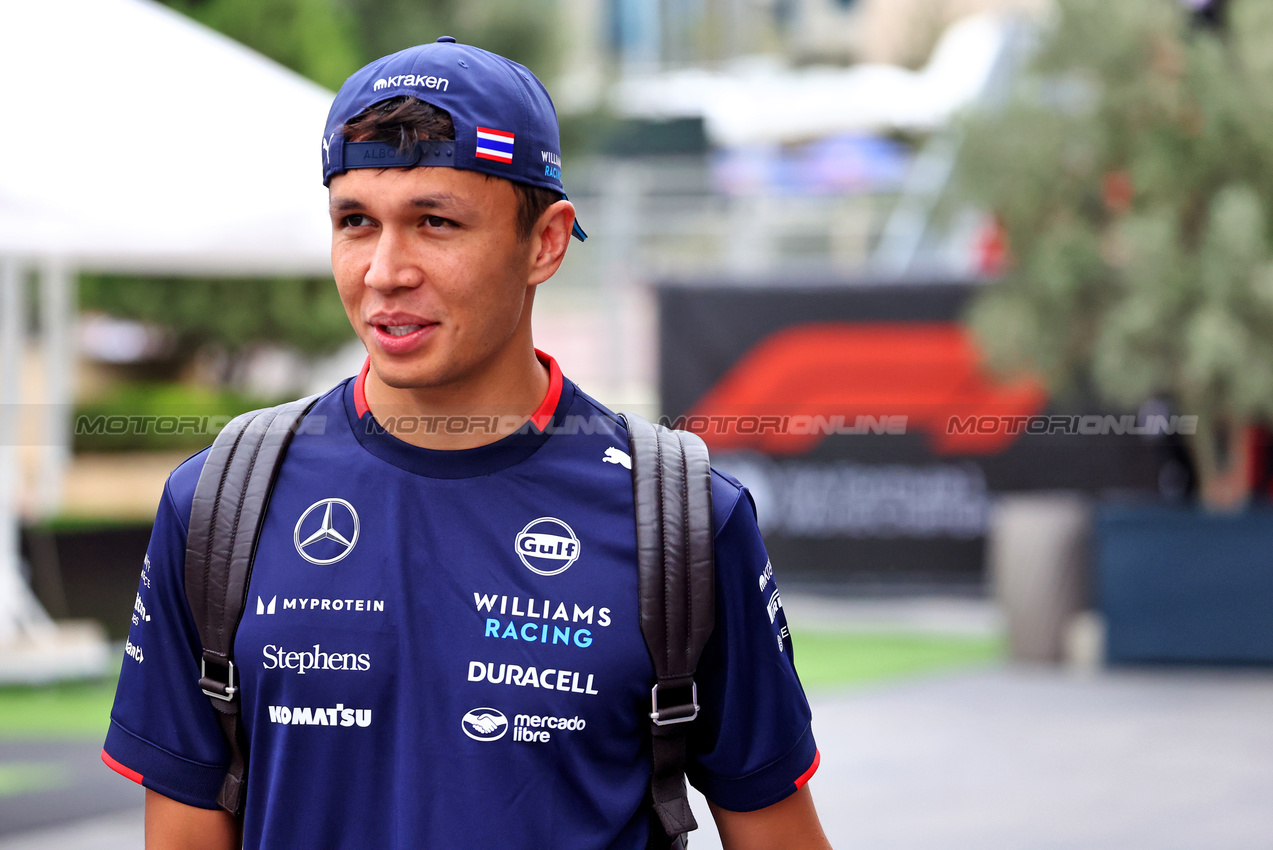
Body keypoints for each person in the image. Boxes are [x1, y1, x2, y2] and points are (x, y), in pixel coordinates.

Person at [102, 37, 830, 850]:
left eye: (434, 222)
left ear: (545, 242)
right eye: (355, 222)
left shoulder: (684, 519)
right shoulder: (218, 502)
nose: (384, 270)